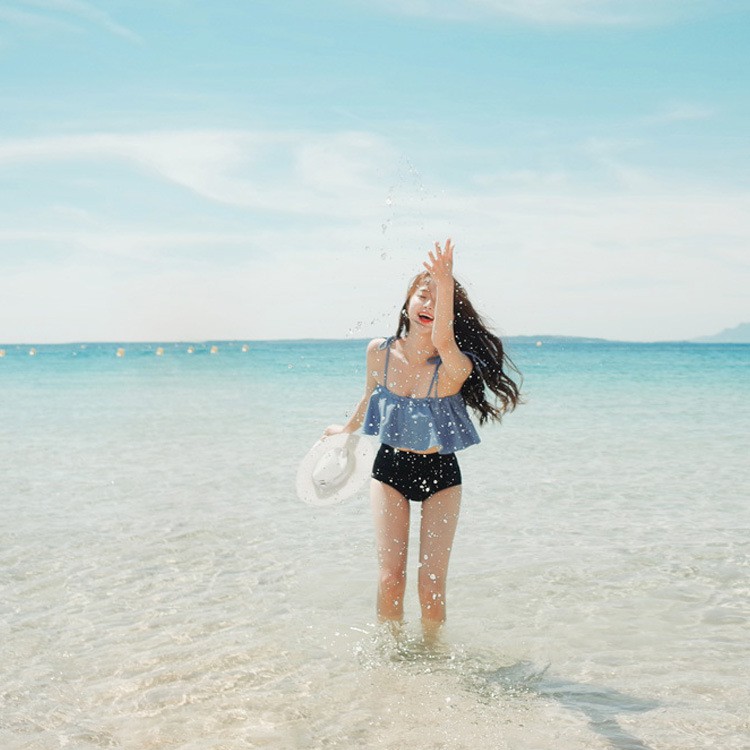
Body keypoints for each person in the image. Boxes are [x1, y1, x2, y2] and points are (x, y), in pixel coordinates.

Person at [324, 239, 521, 643]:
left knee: (430, 585)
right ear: (408, 301)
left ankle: (433, 655)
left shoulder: (454, 366)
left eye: (438, 299)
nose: (428, 304)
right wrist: (345, 431)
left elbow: (445, 341)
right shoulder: (379, 352)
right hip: (389, 470)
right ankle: (390, 653)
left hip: (440, 476)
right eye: (423, 295)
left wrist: (444, 282)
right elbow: (369, 397)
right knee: (390, 578)